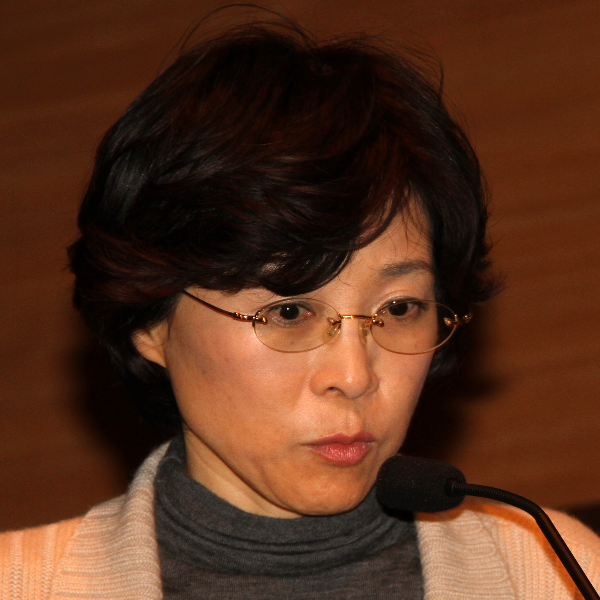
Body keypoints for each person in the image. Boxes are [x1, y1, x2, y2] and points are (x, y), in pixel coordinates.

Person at [2, 17, 599, 600]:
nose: (355, 376)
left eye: (398, 308)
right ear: (151, 320)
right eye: (289, 312)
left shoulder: (559, 573)